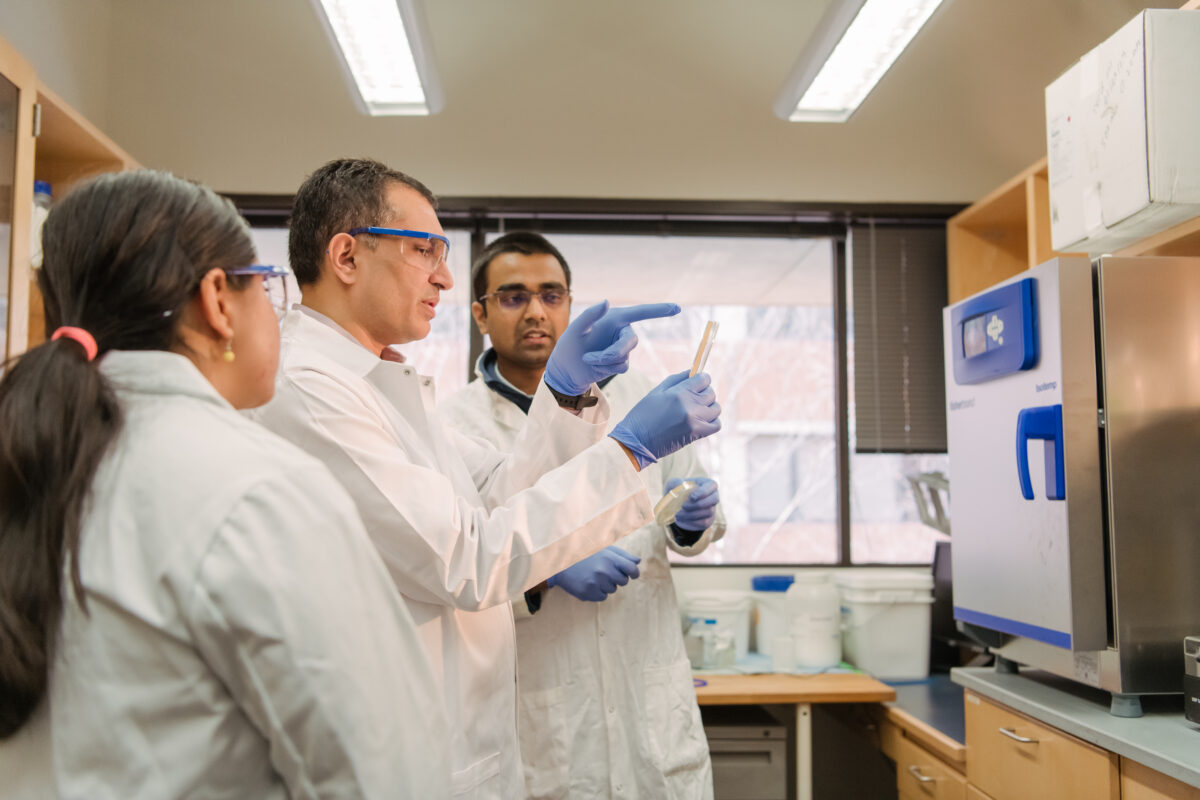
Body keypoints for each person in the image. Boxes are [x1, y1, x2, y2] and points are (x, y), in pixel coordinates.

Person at [253, 158, 722, 798]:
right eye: (425, 250)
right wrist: (630, 452)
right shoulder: (313, 390)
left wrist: (566, 393)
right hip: (410, 754)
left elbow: (501, 493)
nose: (443, 276)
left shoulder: (384, 386)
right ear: (346, 255)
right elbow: (469, 560)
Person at [0, 170, 450, 799]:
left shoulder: (31, 458)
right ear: (217, 301)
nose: (276, 312)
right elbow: (383, 774)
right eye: (264, 289)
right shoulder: (262, 487)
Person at [441, 232, 722, 799]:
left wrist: (693, 522)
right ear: (480, 313)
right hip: (544, 712)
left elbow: (688, 522)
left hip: (648, 694)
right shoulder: (453, 424)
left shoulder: (644, 397)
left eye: (551, 294)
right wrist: (543, 573)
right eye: (513, 297)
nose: (537, 311)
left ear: (571, 306)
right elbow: (457, 568)